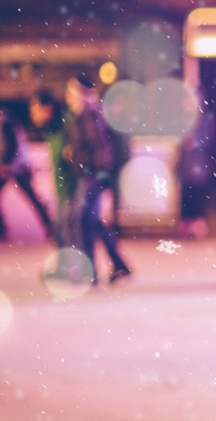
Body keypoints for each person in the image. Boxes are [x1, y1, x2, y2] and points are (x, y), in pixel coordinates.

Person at [64, 73, 132, 285]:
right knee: (91, 222)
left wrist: (91, 170)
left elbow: (99, 146)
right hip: (92, 174)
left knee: (81, 220)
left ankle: (91, 271)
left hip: (91, 176)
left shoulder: (88, 113)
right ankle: (116, 265)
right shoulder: (89, 112)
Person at [0, 107, 53, 242]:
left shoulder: (3, 121)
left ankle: (1, 229)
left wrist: (5, 163)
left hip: (13, 166)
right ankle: (49, 225)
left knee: (30, 196)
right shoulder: (7, 119)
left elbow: (10, 144)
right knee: (31, 197)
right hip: (18, 165)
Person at [29, 89, 76, 250]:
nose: (33, 117)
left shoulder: (67, 125)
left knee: (65, 230)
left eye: (35, 112)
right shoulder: (51, 130)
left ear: (47, 109)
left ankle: (67, 264)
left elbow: (77, 152)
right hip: (63, 189)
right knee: (64, 229)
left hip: (72, 188)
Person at [177, 89, 214, 239]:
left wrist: (195, 142)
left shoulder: (205, 118)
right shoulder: (183, 118)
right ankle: (187, 223)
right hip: (186, 163)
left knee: (198, 193)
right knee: (187, 194)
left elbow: (208, 137)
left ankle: (197, 223)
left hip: (199, 162)